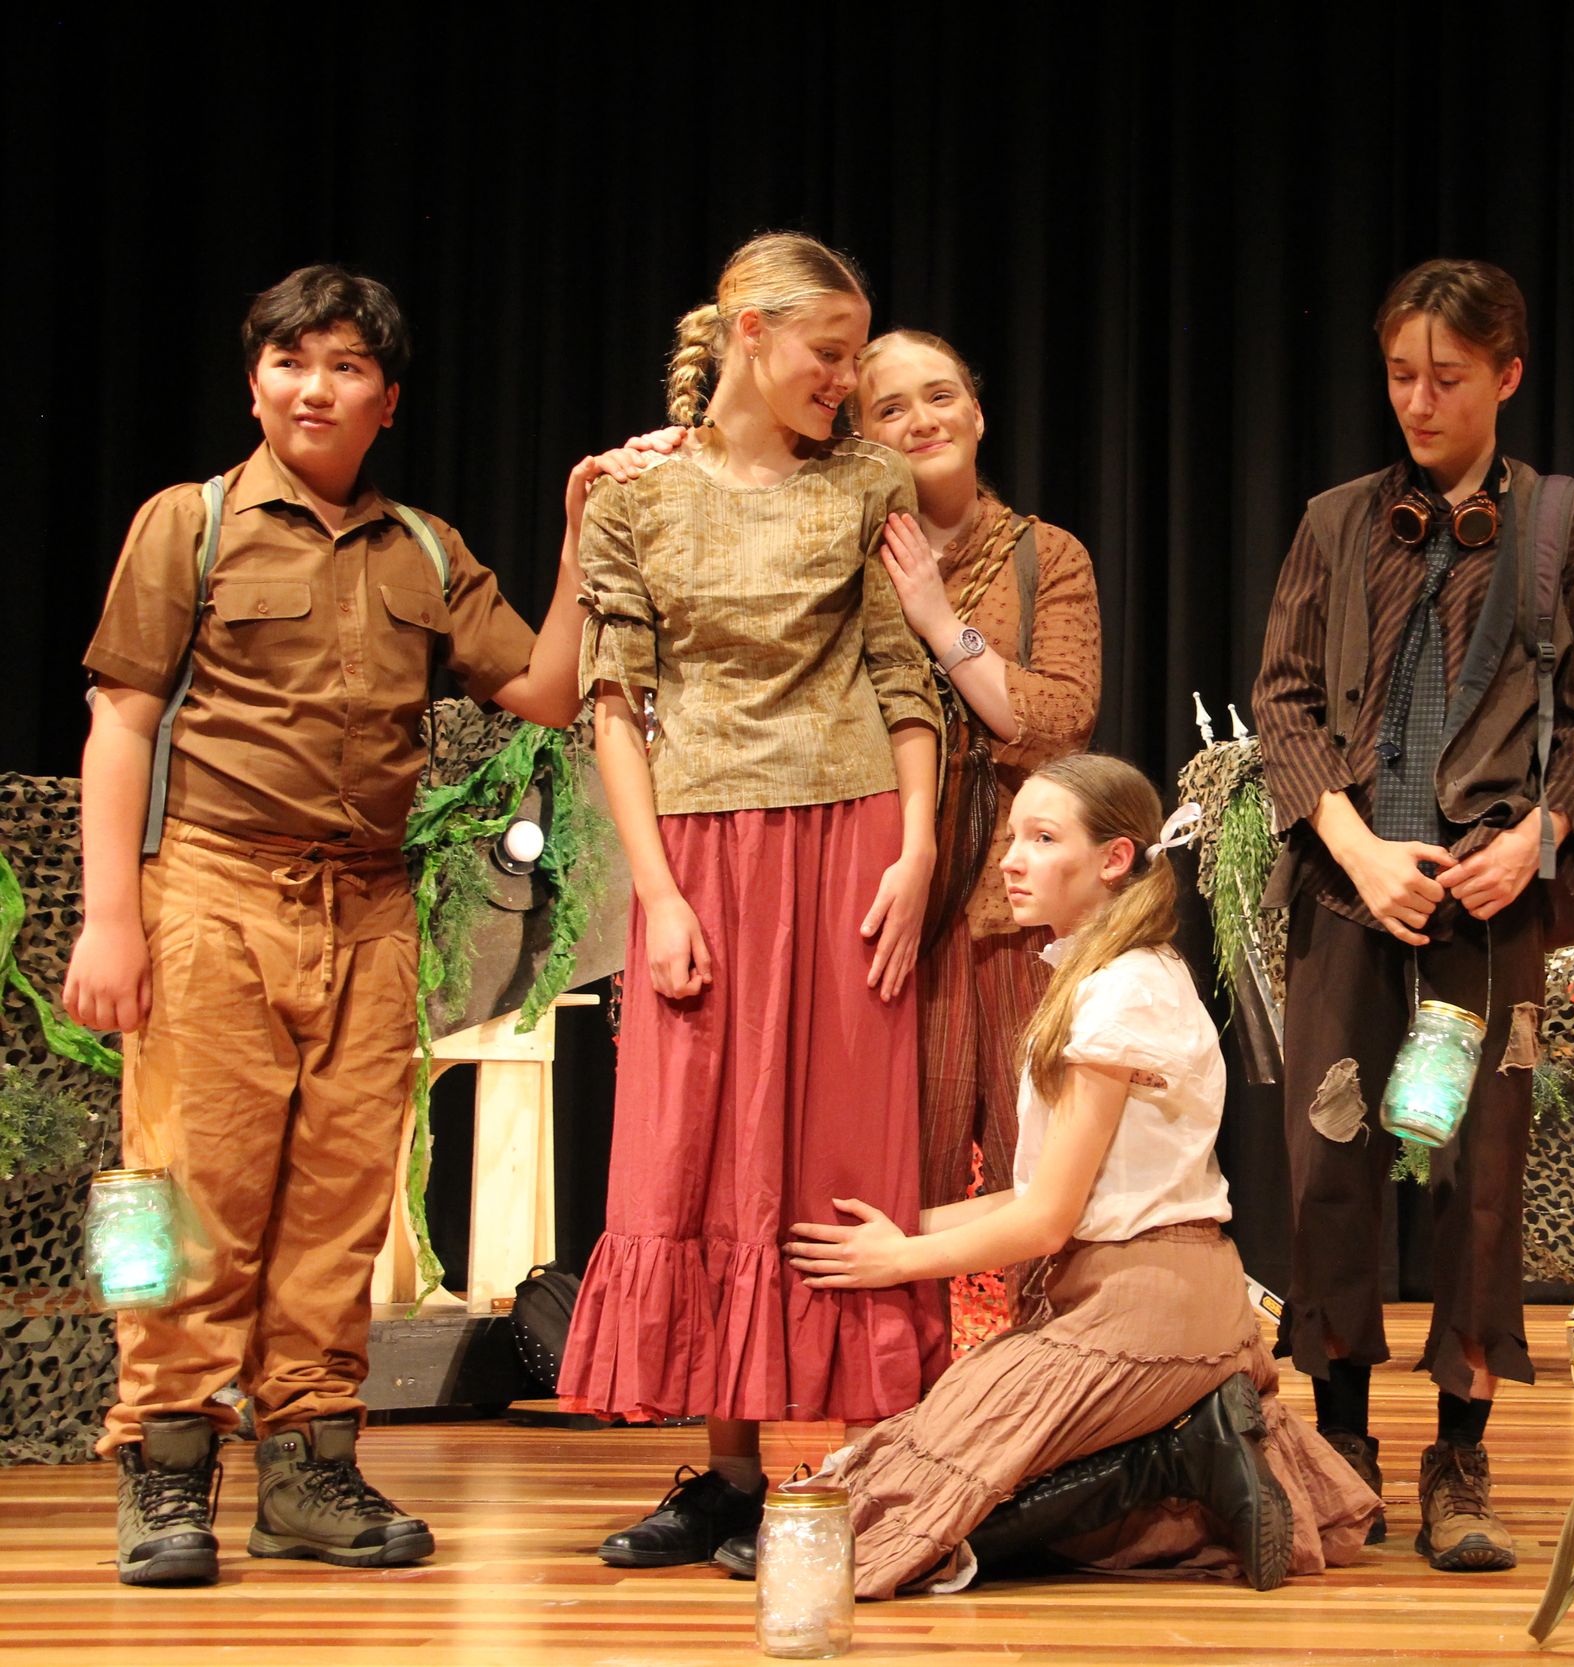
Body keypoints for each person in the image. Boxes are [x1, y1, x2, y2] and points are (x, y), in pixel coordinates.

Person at [67, 263, 611, 1585]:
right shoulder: (188, 523)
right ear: (255, 383)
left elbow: (546, 688)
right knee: (174, 1191)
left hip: (369, 901)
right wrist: (110, 916)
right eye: (292, 361)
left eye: (347, 366)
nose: (316, 387)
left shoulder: (425, 548)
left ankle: (308, 1463)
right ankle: (162, 1458)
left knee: (342, 1199)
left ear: (388, 400)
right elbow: (121, 721)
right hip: (211, 888)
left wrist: (578, 539)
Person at [556, 232, 948, 1570]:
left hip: (852, 835)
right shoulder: (637, 496)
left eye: (855, 356)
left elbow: (903, 677)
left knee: (840, 1148)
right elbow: (613, 701)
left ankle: (852, 1477)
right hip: (700, 850)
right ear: (749, 331)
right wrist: (656, 893)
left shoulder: (869, 483)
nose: (847, 380)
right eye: (829, 354)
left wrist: (918, 850)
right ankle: (728, 1475)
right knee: (704, 1144)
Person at [1248, 259, 1574, 1571]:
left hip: (1489, 900)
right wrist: (1355, 847)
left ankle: (1460, 1453)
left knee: (1478, 1176)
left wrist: (1535, 839)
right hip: (1353, 887)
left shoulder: (1569, 530)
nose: (1419, 401)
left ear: (1507, 376)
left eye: (1448, 378)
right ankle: (1341, 1439)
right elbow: (1284, 703)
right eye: (1401, 375)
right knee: (1328, 1166)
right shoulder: (1336, 522)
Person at [766, 754, 1378, 1595]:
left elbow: (1046, 1221)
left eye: (1043, 838)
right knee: (907, 1465)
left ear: (1114, 858)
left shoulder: (1122, 993)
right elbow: (1040, 1192)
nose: (1011, 860)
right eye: (1013, 836)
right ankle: (1184, 1454)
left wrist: (898, 1260)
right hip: (1138, 1294)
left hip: (1146, 1304)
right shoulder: (1107, 978)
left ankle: (1177, 1451)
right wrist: (904, 1226)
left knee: (900, 1511)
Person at [852, 330, 1101, 1339]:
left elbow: (1059, 718)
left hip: (1014, 906)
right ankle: (895, 1395)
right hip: (886, 897)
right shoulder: (845, 558)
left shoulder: (1047, 555)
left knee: (1033, 1169)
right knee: (890, 1171)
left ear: (978, 410)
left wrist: (935, 616)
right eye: (890, 408)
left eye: (939, 394)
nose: (921, 420)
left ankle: (1049, 1390)